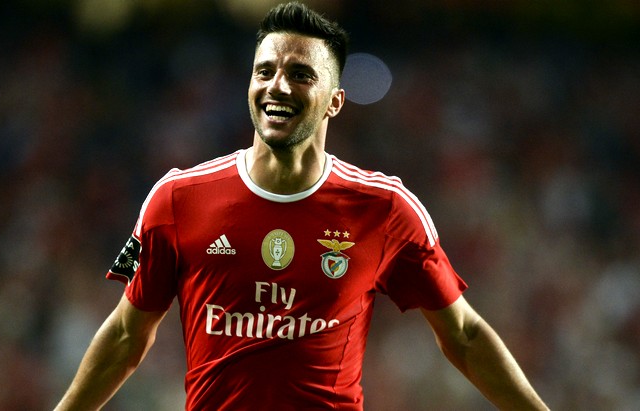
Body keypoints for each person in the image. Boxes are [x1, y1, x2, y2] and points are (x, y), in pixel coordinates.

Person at [55, 2, 549, 410]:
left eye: (300, 74)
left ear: (335, 101)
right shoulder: (178, 199)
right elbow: (127, 336)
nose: (278, 86)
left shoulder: (386, 209)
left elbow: (463, 335)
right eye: (264, 71)